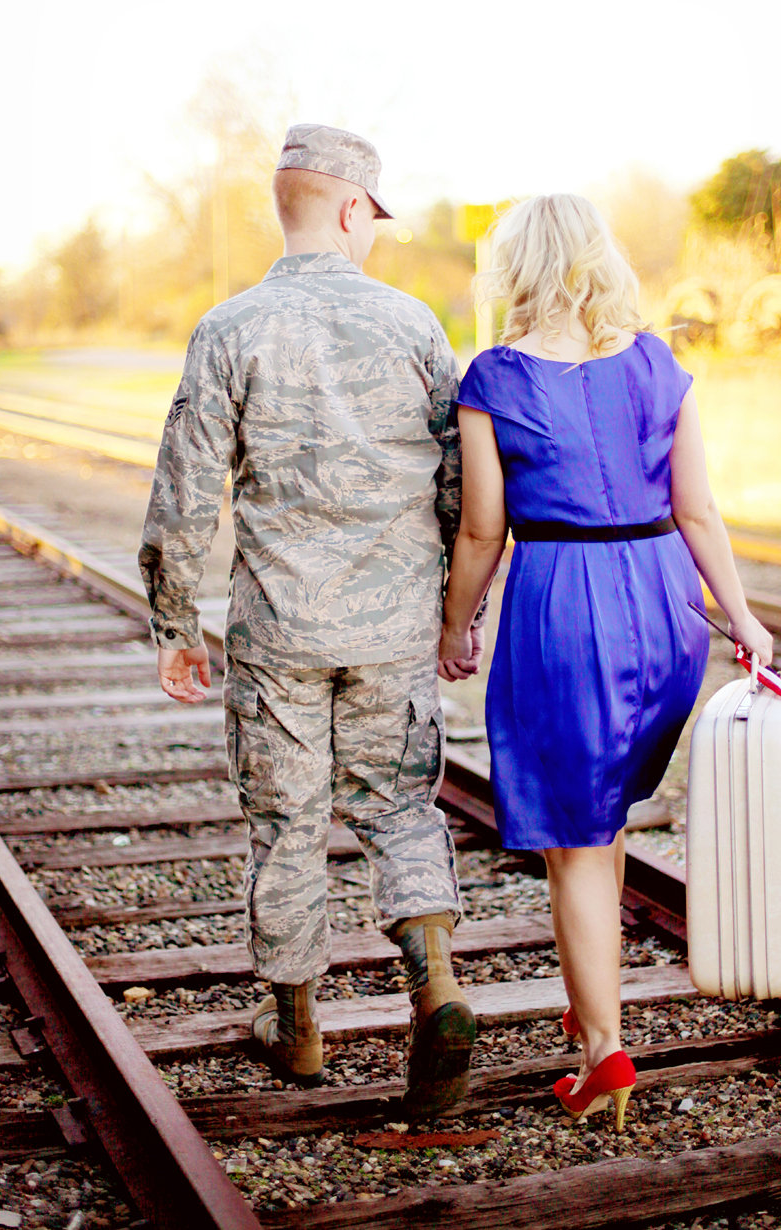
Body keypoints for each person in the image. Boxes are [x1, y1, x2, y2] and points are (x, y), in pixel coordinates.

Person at [139, 124, 478, 1116]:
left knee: (286, 821)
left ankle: (296, 1029)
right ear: (347, 208)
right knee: (400, 806)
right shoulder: (415, 325)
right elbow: (462, 487)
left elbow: (185, 492)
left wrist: (176, 622)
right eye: (374, 213)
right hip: (393, 629)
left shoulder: (229, 328)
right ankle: (436, 988)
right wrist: (459, 613)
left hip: (279, 631)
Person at [438, 194, 772, 1132]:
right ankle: (601, 1022)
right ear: (599, 261)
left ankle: (602, 1054)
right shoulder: (658, 363)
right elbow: (700, 510)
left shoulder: (493, 378)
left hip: (565, 605)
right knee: (605, 816)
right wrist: (740, 618)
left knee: (575, 844)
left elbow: (481, 528)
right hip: (666, 600)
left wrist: (454, 625)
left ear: (512, 271)